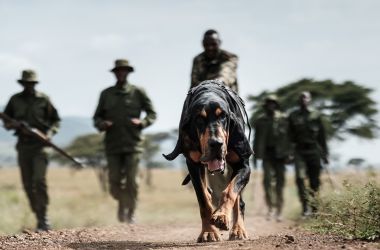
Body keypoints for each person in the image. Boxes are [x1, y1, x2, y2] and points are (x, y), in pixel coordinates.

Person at [93, 59, 156, 223]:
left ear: (128, 72)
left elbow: (152, 113)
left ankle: (131, 212)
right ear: (115, 73)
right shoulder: (106, 94)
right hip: (112, 145)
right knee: (113, 183)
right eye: (118, 71)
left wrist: (143, 123)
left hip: (133, 144)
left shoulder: (138, 92)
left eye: (124, 70)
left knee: (132, 181)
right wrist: (102, 124)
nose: (121, 73)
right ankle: (122, 202)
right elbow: (96, 117)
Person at [3, 69, 60, 231]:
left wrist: (48, 134)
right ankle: (38, 216)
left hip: (41, 147)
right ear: (23, 84)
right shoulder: (14, 100)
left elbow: (56, 120)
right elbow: (6, 122)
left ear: (35, 84)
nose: (30, 86)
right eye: (27, 83)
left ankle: (44, 218)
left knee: (39, 181)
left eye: (32, 83)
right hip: (23, 146)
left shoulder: (44, 99)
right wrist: (14, 125)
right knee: (28, 184)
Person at [190, 29, 239, 207]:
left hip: (227, 112)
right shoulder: (198, 60)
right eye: (207, 44)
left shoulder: (230, 57)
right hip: (204, 109)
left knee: (238, 156)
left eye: (214, 43)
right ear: (203, 44)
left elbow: (225, 76)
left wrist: (212, 85)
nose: (210, 47)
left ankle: (234, 195)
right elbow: (193, 84)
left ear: (219, 43)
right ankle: (219, 202)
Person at [288, 91, 329, 217]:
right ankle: (305, 207)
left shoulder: (316, 115)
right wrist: (289, 152)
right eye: (301, 98)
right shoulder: (293, 115)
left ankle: (315, 208)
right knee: (300, 179)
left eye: (306, 98)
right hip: (299, 151)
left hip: (314, 151)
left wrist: (325, 154)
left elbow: (322, 136)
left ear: (310, 100)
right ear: (298, 100)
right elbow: (288, 135)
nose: (303, 100)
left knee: (314, 181)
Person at [253, 95, 290, 222]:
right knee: (267, 182)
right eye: (268, 103)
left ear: (276, 105)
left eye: (273, 103)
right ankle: (271, 208)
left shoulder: (284, 118)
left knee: (280, 183)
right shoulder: (260, 120)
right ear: (265, 105)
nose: (271, 105)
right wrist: (254, 155)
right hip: (267, 155)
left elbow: (290, 138)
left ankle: (279, 210)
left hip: (281, 155)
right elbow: (256, 139)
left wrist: (290, 154)